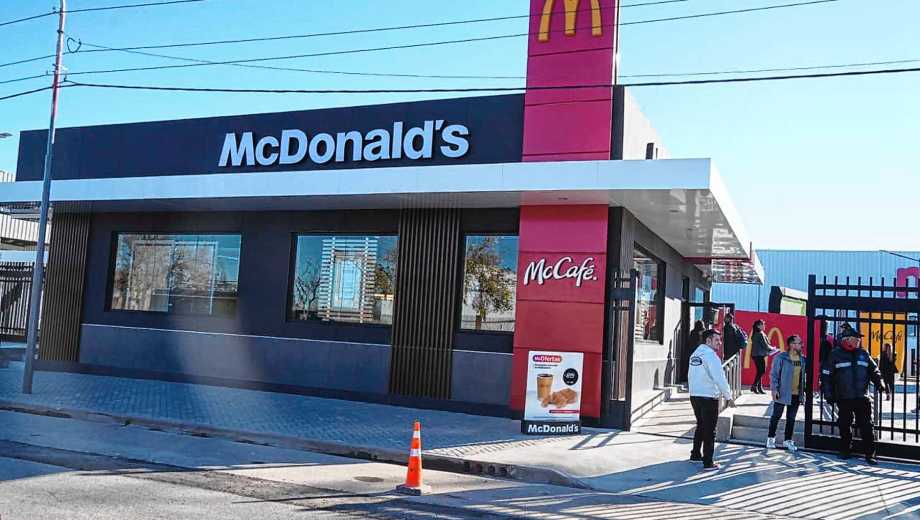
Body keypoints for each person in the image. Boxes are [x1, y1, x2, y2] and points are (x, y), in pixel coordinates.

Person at [821, 326, 890, 465]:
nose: (858, 341)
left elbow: (874, 371)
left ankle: (870, 454)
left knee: (867, 426)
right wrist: (828, 394)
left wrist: (880, 383)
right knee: (844, 425)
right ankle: (845, 450)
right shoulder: (835, 355)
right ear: (846, 340)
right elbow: (826, 376)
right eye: (855, 339)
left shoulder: (864, 353)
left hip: (862, 397)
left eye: (858, 339)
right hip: (844, 397)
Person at [688, 329, 735, 471]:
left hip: (695, 395)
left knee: (701, 425)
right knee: (709, 430)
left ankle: (695, 454)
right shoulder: (711, 356)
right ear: (708, 340)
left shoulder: (695, 354)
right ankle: (708, 462)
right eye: (716, 340)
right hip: (708, 397)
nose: (719, 343)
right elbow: (719, 378)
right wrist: (728, 396)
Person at [766, 335, 807, 452]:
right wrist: (774, 389)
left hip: (796, 394)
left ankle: (787, 440)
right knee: (776, 416)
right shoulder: (781, 358)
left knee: (791, 418)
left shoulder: (802, 359)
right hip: (782, 392)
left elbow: (802, 377)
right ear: (791, 344)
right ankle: (770, 438)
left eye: (800, 343)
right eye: (799, 343)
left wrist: (802, 393)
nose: (801, 345)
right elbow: (774, 375)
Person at [750, 319, 776, 394]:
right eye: (762, 324)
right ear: (758, 326)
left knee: (759, 371)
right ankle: (754, 385)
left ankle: (758, 387)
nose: (764, 326)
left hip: (757, 355)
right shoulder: (760, 334)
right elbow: (765, 345)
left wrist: (771, 348)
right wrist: (773, 348)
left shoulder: (758, 333)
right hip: (758, 355)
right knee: (762, 371)